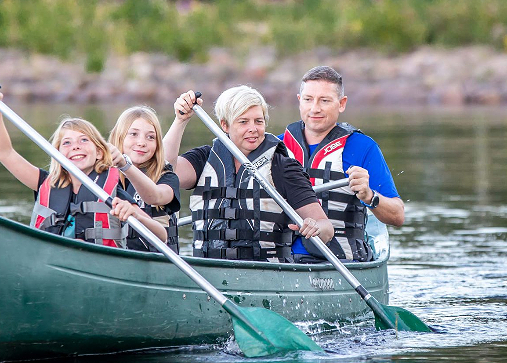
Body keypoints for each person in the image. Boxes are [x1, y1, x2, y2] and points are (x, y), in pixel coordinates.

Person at [0, 84, 168, 247]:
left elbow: (161, 235)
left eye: (84, 140)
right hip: (49, 262)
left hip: (98, 264)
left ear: (99, 152)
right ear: (57, 154)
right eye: (66, 143)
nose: (75, 146)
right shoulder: (44, 182)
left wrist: (135, 213)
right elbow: (5, 153)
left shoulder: (113, 191)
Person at [163, 86, 334, 262]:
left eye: (258, 121)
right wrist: (180, 120)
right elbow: (165, 171)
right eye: (243, 122)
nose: (253, 129)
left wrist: (316, 228)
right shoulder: (203, 159)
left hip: (266, 274)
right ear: (225, 125)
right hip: (207, 271)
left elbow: (326, 228)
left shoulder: (283, 167)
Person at [281, 66, 404, 263]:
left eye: (325, 100)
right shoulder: (277, 147)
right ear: (299, 101)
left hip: (341, 262)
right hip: (282, 259)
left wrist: (369, 196)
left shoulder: (363, 147)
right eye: (308, 99)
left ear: (341, 104)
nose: (315, 108)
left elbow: (397, 216)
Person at [108, 106, 181, 253]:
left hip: (158, 262)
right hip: (115, 258)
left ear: (157, 144)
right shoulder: (104, 178)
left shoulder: (167, 177)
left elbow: (155, 196)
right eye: (134, 134)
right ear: (119, 137)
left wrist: (125, 165)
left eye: (150, 137)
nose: (142, 142)